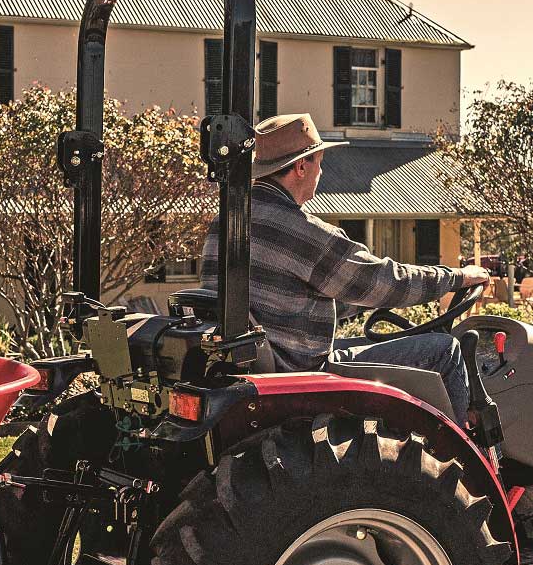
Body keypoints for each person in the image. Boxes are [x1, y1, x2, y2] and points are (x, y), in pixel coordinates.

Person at [202, 113, 489, 425]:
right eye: (319, 162)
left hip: (267, 361)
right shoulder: (306, 234)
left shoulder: (228, 222)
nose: (321, 172)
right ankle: (460, 468)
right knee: (444, 350)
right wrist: (455, 278)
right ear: (301, 167)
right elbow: (387, 281)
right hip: (303, 372)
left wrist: (353, 306)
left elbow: (288, 295)